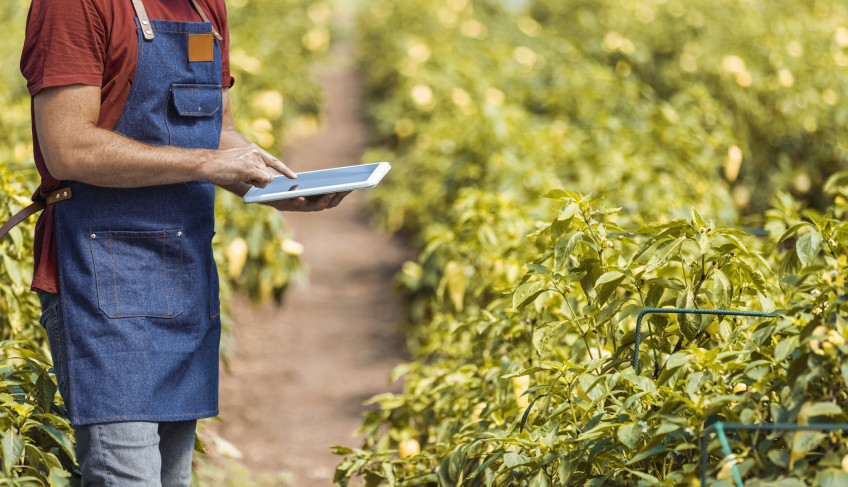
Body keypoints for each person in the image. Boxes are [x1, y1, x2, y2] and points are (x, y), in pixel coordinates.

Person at [19, 0, 349, 484]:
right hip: (98, 276)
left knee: (172, 477)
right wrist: (204, 165)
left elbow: (219, 135)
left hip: (182, 272)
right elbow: (68, 146)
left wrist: (277, 187)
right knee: (124, 474)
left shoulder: (204, 6)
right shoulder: (74, 6)